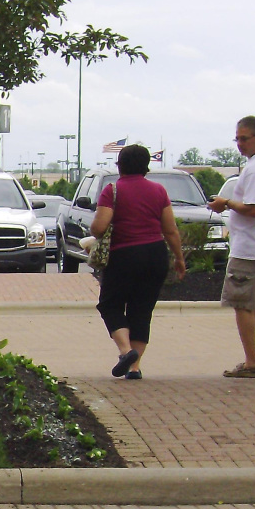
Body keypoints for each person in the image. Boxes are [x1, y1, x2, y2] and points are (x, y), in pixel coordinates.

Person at [89, 144, 186, 379]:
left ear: (119, 165)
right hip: (155, 254)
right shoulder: (159, 191)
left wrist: (95, 228)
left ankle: (126, 351)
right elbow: (170, 230)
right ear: (146, 167)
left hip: (123, 255)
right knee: (142, 310)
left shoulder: (112, 190)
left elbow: (100, 227)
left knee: (110, 305)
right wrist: (179, 258)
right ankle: (134, 367)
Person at [207, 116, 255, 378]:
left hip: (250, 248)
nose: (240, 144)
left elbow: (253, 209)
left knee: (242, 303)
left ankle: (251, 363)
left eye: (245, 138)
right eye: (237, 138)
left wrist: (225, 203)